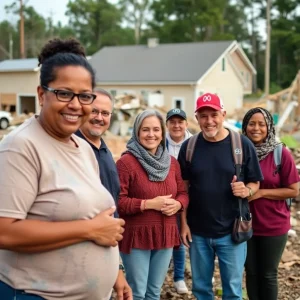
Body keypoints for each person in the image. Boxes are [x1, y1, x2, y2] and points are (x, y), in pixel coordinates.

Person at [0, 38, 128, 300]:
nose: (75, 104)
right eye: (64, 93)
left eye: (85, 96)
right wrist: (89, 230)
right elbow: (4, 231)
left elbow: (94, 214)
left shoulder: (82, 149)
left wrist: (114, 271)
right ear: (41, 94)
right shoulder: (21, 146)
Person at [178, 93, 263, 300]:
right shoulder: (189, 147)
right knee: (200, 289)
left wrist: (247, 190)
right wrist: (183, 224)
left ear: (223, 114)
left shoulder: (242, 145)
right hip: (198, 233)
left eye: (214, 115)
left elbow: (255, 182)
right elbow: (182, 189)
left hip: (232, 232)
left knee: (233, 291)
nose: (209, 121)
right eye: (203, 116)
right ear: (196, 118)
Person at [116, 109, 189, 300]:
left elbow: (183, 193)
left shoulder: (172, 163)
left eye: (156, 129)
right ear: (137, 132)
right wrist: (148, 204)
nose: (151, 134)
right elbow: (118, 202)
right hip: (137, 236)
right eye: (145, 129)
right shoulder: (126, 163)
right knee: (137, 293)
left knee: (154, 293)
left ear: (162, 133)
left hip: (165, 234)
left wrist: (178, 204)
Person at [76, 88, 131, 299]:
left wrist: (116, 266)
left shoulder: (105, 151)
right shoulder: (73, 147)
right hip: (80, 253)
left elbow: (112, 207)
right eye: (95, 111)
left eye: (106, 113)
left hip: (106, 250)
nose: (100, 118)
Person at [242, 107, 299, 300]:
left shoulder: (280, 153)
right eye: (252, 123)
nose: (256, 128)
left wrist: (261, 192)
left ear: (269, 127)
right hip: (245, 225)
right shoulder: (238, 152)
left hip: (273, 226)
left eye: (261, 124)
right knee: (251, 273)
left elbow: (294, 190)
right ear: (245, 126)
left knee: (268, 274)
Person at [165, 108, 192, 294]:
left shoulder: (194, 143)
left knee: (184, 237)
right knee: (170, 236)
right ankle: (162, 274)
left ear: (186, 124)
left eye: (180, 121)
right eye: (172, 122)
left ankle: (179, 276)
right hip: (166, 195)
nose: (176, 125)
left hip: (190, 194)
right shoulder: (159, 141)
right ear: (167, 124)